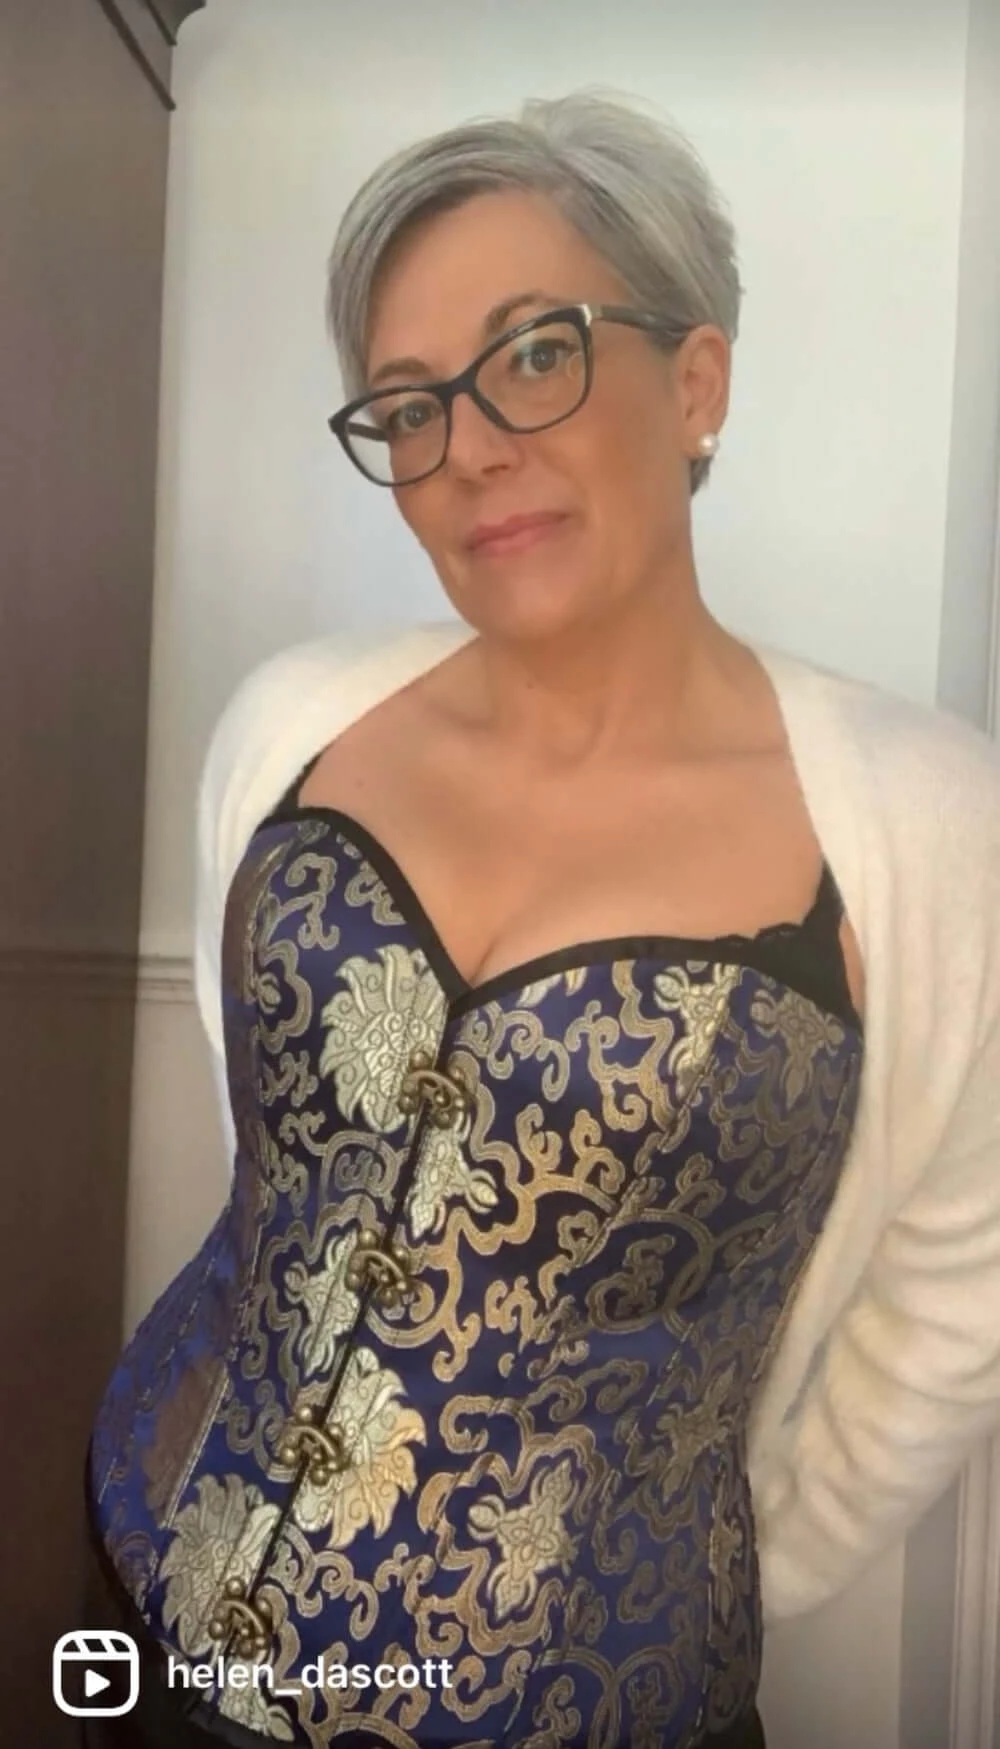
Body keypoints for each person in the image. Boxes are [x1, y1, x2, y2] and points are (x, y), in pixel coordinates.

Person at [81, 89, 1000, 1749]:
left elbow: (963, 1279)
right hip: (168, 1621)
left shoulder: (925, 824)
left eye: (535, 354)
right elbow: (280, 1179)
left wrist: (752, 1558)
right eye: (408, 404)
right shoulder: (291, 730)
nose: (471, 448)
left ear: (695, 384)